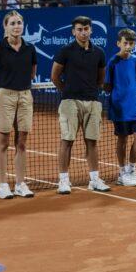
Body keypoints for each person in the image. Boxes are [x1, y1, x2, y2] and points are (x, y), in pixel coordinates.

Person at [51, 16, 109, 194]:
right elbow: (55, 76)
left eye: (86, 29)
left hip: (93, 102)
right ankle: (63, 181)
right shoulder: (65, 51)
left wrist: (90, 91)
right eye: (79, 29)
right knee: (67, 141)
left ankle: (94, 180)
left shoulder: (99, 53)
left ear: (91, 30)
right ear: (73, 31)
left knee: (92, 142)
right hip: (70, 102)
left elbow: (100, 78)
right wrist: (68, 91)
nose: (83, 32)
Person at [0, 10, 38, 200]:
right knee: (3, 143)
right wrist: (4, 83)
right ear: (5, 27)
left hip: (25, 96)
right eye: (12, 23)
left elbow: (32, 73)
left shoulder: (30, 48)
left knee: (21, 142)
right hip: (5, 96)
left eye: (19, 23)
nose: (17, 26)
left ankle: (20, 184)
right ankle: (2, 185)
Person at [104, 28, 136, 188]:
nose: (128, 46)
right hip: (119, 108)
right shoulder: (112, 62)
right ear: (118, 43)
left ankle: (131, 169)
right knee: (122, 139)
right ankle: (122, 173)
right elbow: (107, 86)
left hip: (135, 107)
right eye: (125, 43)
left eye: (131, 43)